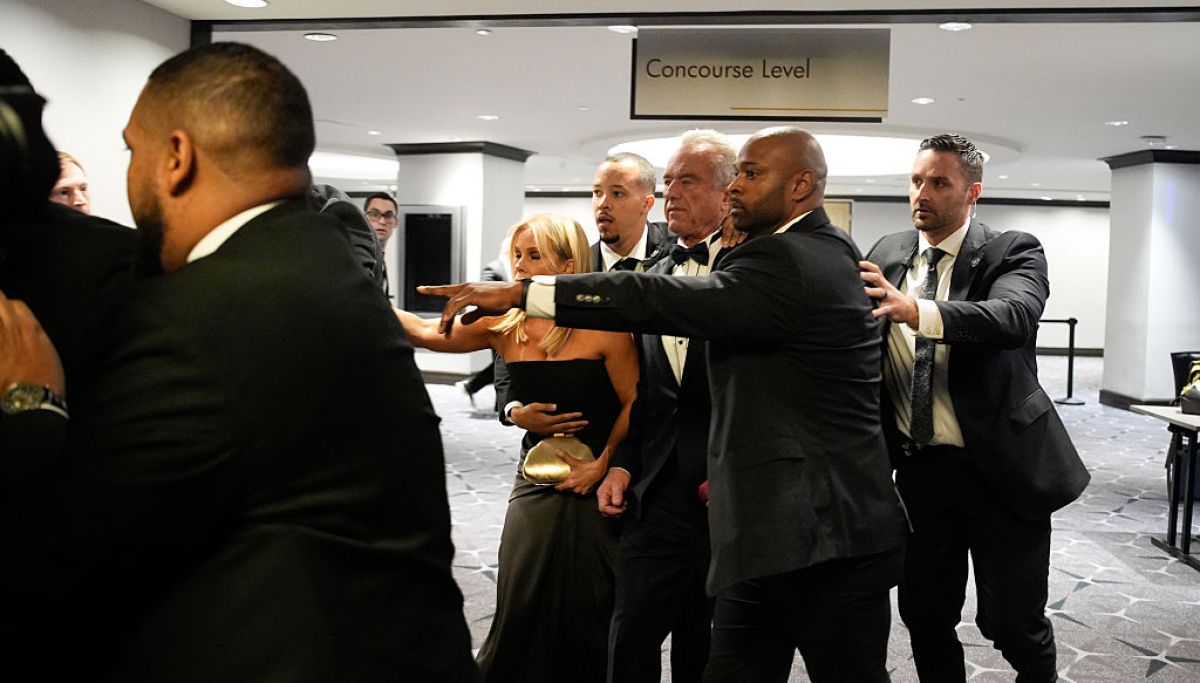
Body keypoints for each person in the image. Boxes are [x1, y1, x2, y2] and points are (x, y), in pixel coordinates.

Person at [2, 42, 476, 681]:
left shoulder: (199, 317)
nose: (131, 177)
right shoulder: (315, 257)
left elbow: (56, 561)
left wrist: (30, 402)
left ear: (176, 157)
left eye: (133, 152)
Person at [419, 127, 908, 682]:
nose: (736, 188)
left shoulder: (791, 257)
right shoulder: (806, 251)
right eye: (735, 175)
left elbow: (655, 299)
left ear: (800, 186)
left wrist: (526, 292)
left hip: (827, 537)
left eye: (750, 175)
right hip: (761, 532)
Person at [860, 133, 1090, 682]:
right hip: (920, 472)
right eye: (916, 181)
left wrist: (919, 311)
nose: (922, 194)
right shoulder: (887, 251)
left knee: (1012, 623)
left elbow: (1012, 317)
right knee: (925, 615)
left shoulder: (1012, 250)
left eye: (939, 183)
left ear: (972, 192)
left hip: (1001, 471)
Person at [395, 213, 638, 683]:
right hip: (536, 476)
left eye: (534, 256)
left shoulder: (604, 327)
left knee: (588, 607)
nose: (520, 267)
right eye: (517, 256)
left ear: (567, 265)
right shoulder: (506, 326)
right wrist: (357, 289)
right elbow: (424, 333)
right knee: (520, 595)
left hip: (601, 483)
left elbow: (635, 401)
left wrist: (605, 464)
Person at [595, 129, 734, 683]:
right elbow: (651, 395)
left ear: (727, 193)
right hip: (655, 493)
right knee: (629, 637)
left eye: (688, 181)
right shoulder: (653, 277)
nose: (672, 192)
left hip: (726, 494)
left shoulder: (753, 274)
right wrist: (625, 463)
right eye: (669, 181)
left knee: (705, 645)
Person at [455, 237, 511, 410]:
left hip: (509, 325)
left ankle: (474, 388)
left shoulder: (513, 269)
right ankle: (483, 393)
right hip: (496, 325)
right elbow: (486, 295)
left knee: (503, 363)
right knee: (501, 363)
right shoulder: (493, 268)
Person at [591, 152, 671, 272]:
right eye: (597, 192)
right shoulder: (578, 264)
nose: (602, 204)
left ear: (646, 204)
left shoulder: (677, 253)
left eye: (617, 194)